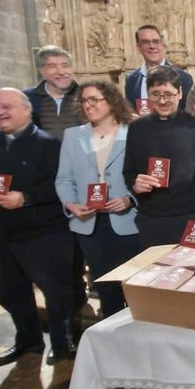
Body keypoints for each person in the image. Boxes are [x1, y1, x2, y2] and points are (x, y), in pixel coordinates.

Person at [0, 88, 75, 366]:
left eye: (7, 107)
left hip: (43, 232)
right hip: (1, 233)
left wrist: (25, 198)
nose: (0, 112)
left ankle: (62, 343)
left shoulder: (48, 144)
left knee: (56, 291)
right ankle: (27, 340)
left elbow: (60, 185)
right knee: (11, 292)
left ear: (26, 110)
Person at [55, 81, 139, 318]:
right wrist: (71, 204)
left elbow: (144, 174)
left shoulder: (132, 132)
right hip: (89, 223)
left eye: (94, 99)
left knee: (132, 284)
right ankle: (111, 337)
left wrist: (129, 199)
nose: (88, 105)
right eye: (84, 100)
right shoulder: (73, 136)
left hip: (126, 221)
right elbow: (63, 179)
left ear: (111, 101)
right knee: (105, 285)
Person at [23, 46, 88, 338]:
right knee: (56, 257)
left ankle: (82, 304)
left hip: (82, 182)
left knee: (80, 249)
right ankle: (66, 323)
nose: (60, 71)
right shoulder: (29, 100)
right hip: (46, 186)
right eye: (52, 66)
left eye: (65, 64)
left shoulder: (84, 95)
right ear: (42, 70)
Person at [125, 65, 195, 248]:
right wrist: (135, 184)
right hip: (151, 219)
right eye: (155, 94)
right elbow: (129, 171)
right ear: (148, 93)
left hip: (191, 219)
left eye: (168, 94)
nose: (162, 101)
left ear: (180, 93)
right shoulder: (137, 129)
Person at [125, 24, 194, 114]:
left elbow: (188, 112)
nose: (152, 46)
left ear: (163, 45)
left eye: (156, 41)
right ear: (138, 47)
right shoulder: (131, 79)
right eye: (146, 42)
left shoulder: (183, 77)